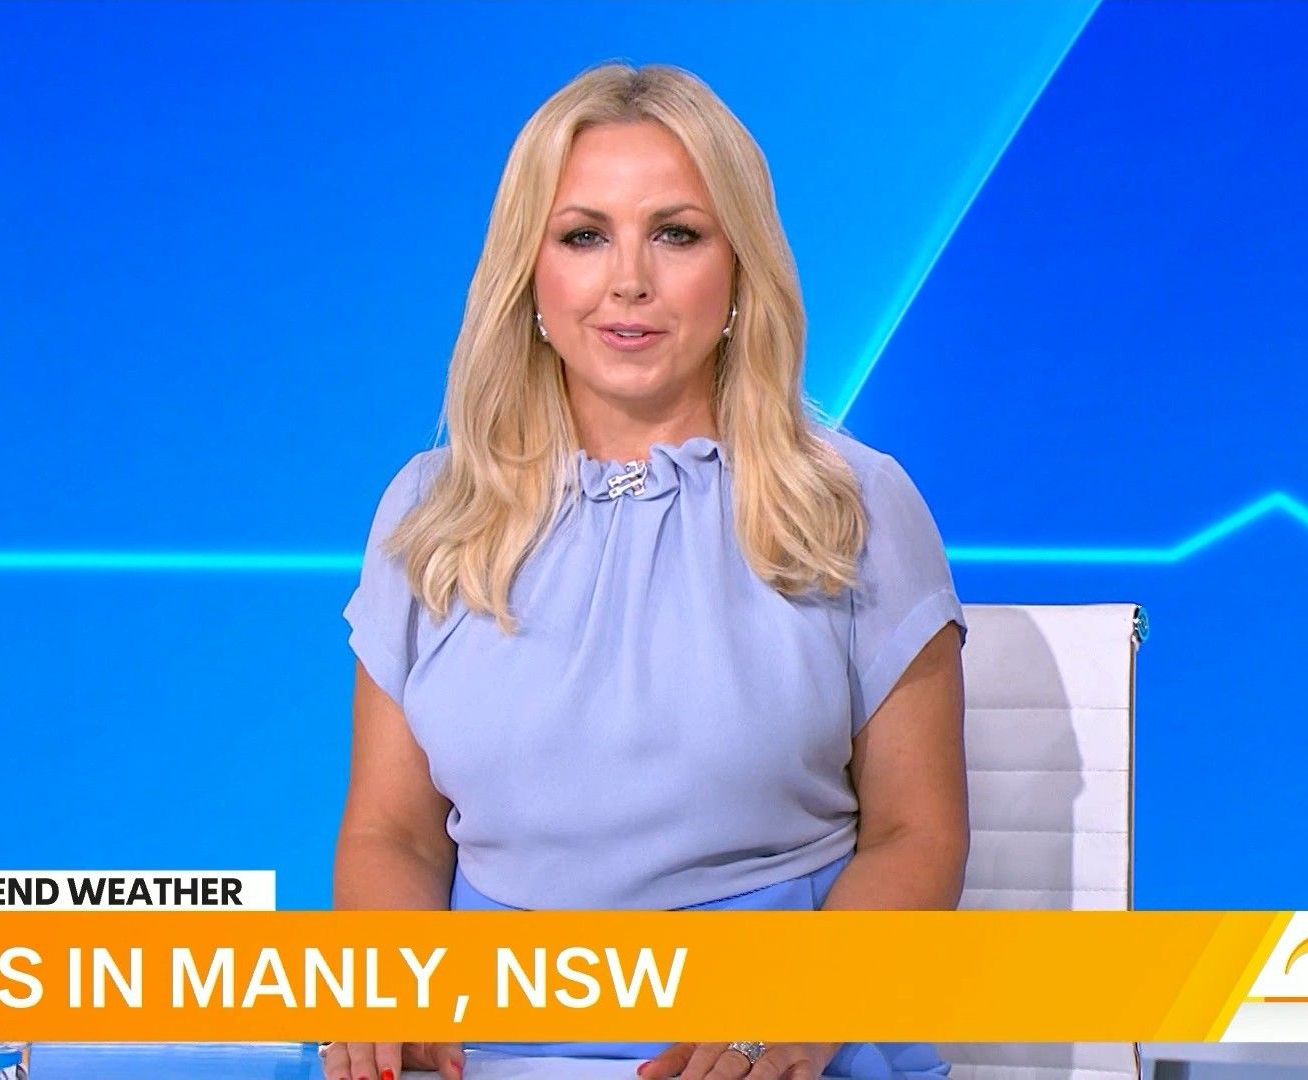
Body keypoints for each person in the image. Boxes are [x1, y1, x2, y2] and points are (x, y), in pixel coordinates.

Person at [322, 60, 968, 1080]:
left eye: (677, 233)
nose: (629, 280)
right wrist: (393, 994)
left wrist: (793, 1015)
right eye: (584, 236)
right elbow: (391, 834)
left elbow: (917, 834)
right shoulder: (431, 510)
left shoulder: (853, 503)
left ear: (740, 270)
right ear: (530, 275)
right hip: (482, 1046)